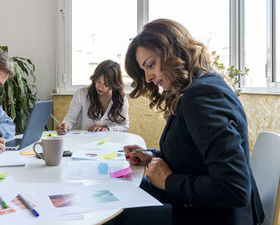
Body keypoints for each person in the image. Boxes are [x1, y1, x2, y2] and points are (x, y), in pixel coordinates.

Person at [106, 19, 264, 225]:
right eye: (144, 70)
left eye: (151, 65)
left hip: (219, 216)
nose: (148, 78)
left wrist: (168, 181)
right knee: (125, 189)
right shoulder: (195, 89)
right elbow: (195, 155)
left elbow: (234, 188)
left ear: (173, 52)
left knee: (117, 216)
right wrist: (152, 156)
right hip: (203, 205)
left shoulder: (202, 95)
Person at [56, 59, 129, 134]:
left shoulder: (121, 98)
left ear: (114, 84)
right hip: (82, 141)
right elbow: (69, 120)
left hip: (108, 142)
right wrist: (65, 125)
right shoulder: (81, 94)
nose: (100, 87)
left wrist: (106, 129)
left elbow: (124, 127)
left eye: (106, 84)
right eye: (98, 81)